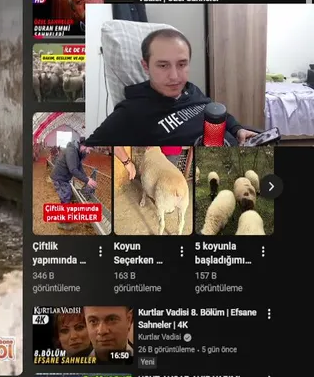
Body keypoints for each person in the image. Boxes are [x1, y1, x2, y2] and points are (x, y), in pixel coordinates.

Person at [85, 28, 257, 147]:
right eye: (163, 65)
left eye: (182, 64)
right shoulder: (131, 112)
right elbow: (89, 149)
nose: (175, 76)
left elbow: (215, 112)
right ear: (146, 66)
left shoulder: (191, 89)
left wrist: (237, 129)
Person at [49, 139, 95, 232]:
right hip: (60, 178)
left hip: (63, 177)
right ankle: (63, 223)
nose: (89, 152)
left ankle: (64, 220)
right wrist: (86, 180)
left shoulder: (77, 152)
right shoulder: (72, 151)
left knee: (66, 197)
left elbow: (79, 167)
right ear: (84, 146)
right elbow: (73, 169)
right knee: (66, 197)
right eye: (89, 149)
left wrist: (86, 177)